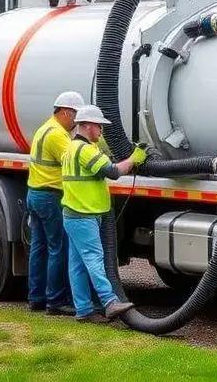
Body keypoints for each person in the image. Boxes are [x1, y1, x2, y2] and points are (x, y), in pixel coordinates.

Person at [61, 104, 146, 322]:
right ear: (86, 125)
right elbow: (112, 172)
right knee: (94, 258)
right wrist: (134, 159)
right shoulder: (85, 150)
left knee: (78, 264)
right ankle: (110, 302)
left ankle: (83, 311)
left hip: (74, 213)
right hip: (84, 214)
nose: (101, 130)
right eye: (98, 126)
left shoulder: (71, 148)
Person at [26, 91, 85, 316]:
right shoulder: (57, 134)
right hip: (50, 196)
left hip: (35, 193)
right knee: (57, 248)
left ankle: (36, 297)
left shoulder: (45, 128)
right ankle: (56, 300)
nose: (76, 123)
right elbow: (76, 159)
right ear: (65, 112)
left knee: (38, 248)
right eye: (75, 117)